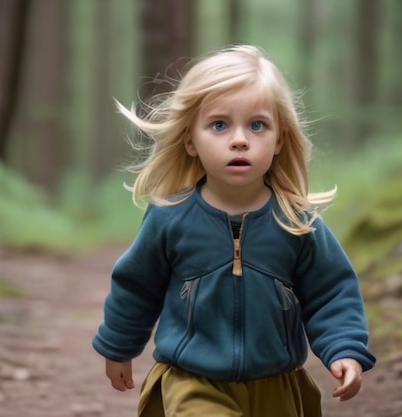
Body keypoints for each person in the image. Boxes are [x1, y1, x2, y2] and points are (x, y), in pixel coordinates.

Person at [91, 44, 376, 417]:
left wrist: (345, 350)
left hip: (277, 383)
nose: (239, 139)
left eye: (257, 125)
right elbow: (136, 286)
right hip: (193, 380)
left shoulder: (297, 222)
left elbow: (332, 292)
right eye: (219, 125)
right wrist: (118, 346)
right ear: (190, 140)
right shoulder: (170, 218)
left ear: (279, 141)